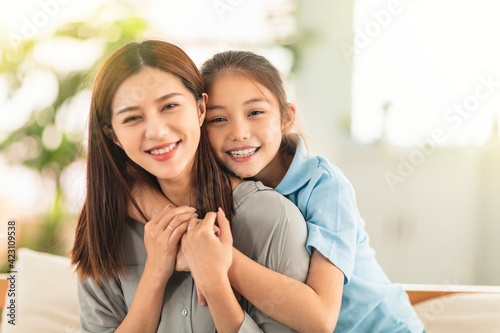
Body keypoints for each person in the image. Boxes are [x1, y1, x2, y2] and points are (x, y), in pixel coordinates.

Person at [70, 40, 311, 333]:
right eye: (132, 117)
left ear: (200, 109)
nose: (157, 131)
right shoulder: (105, 226)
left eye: (170, 106)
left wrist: (215, 280)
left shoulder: (271, 217)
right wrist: (155, 273)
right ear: (114, 136)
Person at [198, 50, 426, 332]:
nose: (239, 132)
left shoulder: (325, 186)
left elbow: (321, 319)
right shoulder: (217, 182)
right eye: (218, 119)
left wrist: (218, 261)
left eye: (255, 112)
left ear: (286, 118)